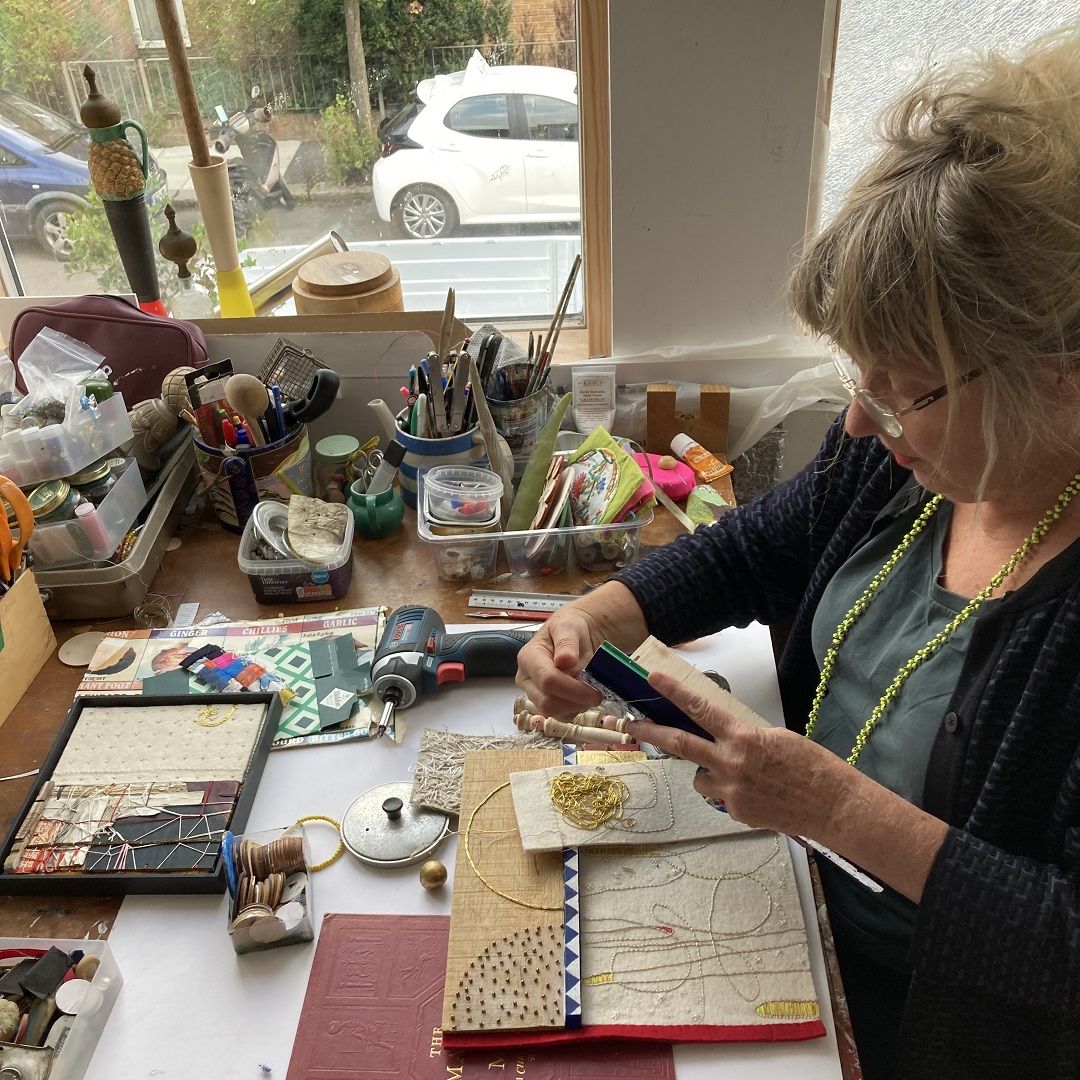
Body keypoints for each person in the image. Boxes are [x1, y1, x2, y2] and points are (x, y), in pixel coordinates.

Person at [516, 30, 1080, 1080]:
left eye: (899, 383)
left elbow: (1067, 946)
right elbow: (761, 545)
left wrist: (836, 809)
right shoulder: (902, 460)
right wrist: (606, 609)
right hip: (785, 899)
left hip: (928, 1026)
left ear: (1060, 376)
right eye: (852, 375)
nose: (857, 422)